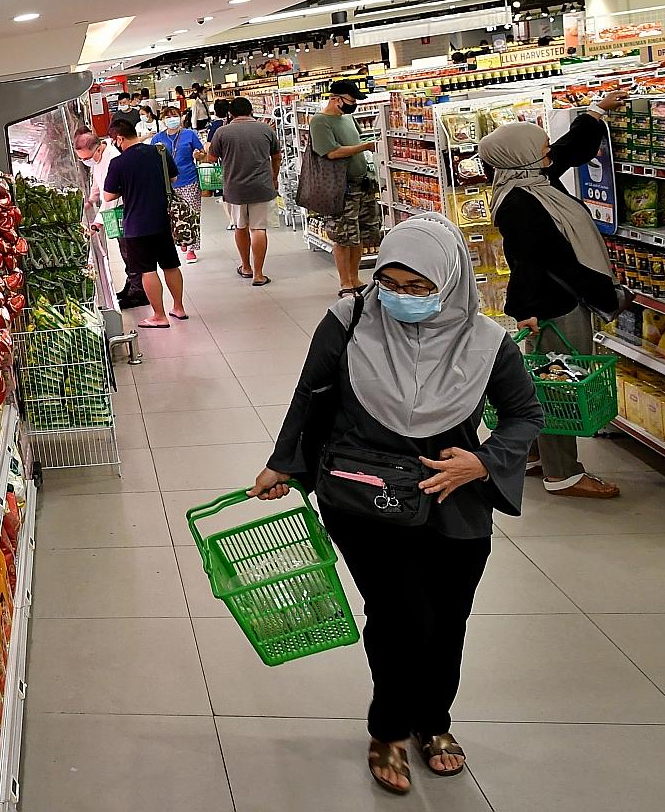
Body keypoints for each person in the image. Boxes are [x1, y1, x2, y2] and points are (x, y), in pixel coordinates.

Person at [249, 214, 544, 796]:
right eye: (390, 284)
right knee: (401, 614)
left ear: (451, 281)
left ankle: (433, 722)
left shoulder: (488, 342)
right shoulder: (349, 320)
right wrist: (284, 462)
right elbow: (310, 394)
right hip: (364, 495)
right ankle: (388, 729)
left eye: (418, 288)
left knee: (448, 616)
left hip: (452, 497)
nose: (400, 299)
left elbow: (524, 415)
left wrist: (481, 462)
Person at [477, 93, 635, 499]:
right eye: (542, 150)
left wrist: (598, 111)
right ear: (522, 156)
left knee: (541, 381)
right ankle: (563, 473)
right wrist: (609, 295)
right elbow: (541, 264)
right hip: (553, 305)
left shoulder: (531, 175)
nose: (550, 155)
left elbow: (571, 148)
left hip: (552, 301)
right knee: (559, 387)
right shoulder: (519, 203)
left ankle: (532, 456)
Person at [102, 119, 187, 328]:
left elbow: (108, 196)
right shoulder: (159, 151)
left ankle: (159, 316)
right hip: (162, 218)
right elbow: (174, 178)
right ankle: (178, 307)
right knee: (170, 265)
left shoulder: (118, 163)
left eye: (115, 140)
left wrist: (128, 187)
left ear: (119, 138)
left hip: (136, 224)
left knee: (147, 270)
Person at [311, 79, 383, 297]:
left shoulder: (348, 118)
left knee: (359, 234)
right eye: (351, 100)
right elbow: (331, 152)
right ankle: (345, 282)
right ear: (336, 99)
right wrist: (365, 147)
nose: (354, 105)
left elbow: (356, 140)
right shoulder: (320, 122)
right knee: (342, 236)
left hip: (362, 182)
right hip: (340, 187)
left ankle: (355, 278)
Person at [197, 96, 279, 285]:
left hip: (234, 188)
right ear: (251, 110)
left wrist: (200, 155)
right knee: (258, 228)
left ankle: (246, 267)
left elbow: (211, 158)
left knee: (240, 227)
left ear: (230, 113)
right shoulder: (266, 129)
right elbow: (276, 156)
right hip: (262, 185)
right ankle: (259, 275)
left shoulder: (222, 132)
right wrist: (274, 177)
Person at [75, 127, 146, 308]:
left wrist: (96, 224)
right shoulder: (99, 158)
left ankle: (139, 291)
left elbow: (110, 197)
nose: (85, 162)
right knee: (125, 250)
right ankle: (132, 285)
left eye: (86, 158)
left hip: (123, 208)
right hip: (116, 210)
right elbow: (97, 181)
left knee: (130, 250)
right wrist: (91, 199)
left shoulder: (113, 159)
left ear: (98, 149)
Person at [156, 105, 205, 263]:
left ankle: (192, 248)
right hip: (167, 183)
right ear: (163, 120)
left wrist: (199, 155)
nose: (172, 119)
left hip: (189, 179)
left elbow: (202, 153)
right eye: (168, 116)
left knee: (192, 213)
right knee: (171, 215)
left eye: (174, 115)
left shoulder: (190, 134)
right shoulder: (157, 139)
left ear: (180, 117)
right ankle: (180, 239)